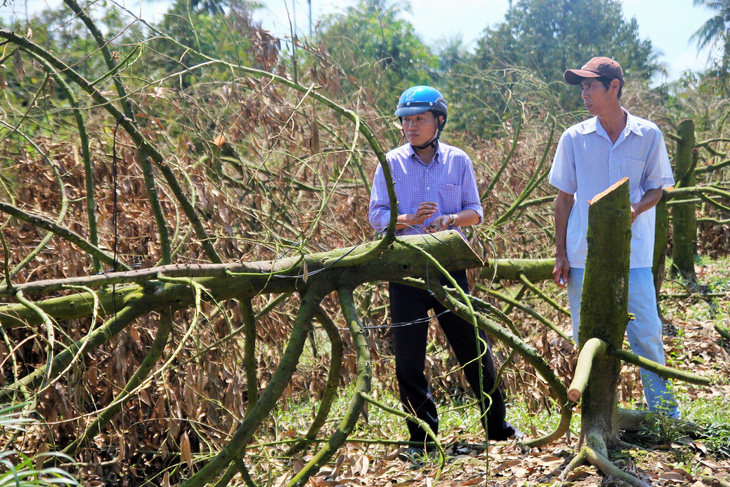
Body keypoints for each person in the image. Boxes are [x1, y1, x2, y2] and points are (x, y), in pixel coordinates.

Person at [368, 86, 520, 460]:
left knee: (474, 349)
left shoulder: (458, 160)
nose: (411, 126)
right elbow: (376, 216)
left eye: (419, 119)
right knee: (408, 358)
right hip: (405, 270)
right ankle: (421, 439)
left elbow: (476, 211)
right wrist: (406, 220)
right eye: (406, 120)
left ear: (439, 121)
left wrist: (450, 220)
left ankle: (497, 429)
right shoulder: (390, 163)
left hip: (451, 267)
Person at [549, 57, 680, 418]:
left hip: (633, 254)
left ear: (614, 87)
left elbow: (657, 188)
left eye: (591, 86)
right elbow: (563, 198)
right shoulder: (574, 138)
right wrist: (559, 254)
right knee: (588, 337)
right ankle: (597, 416)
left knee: (647, 335)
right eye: (582, 87)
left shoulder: (648, 134)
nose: (584, 94)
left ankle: (666, 416)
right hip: (581, 254)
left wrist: (636, 209)